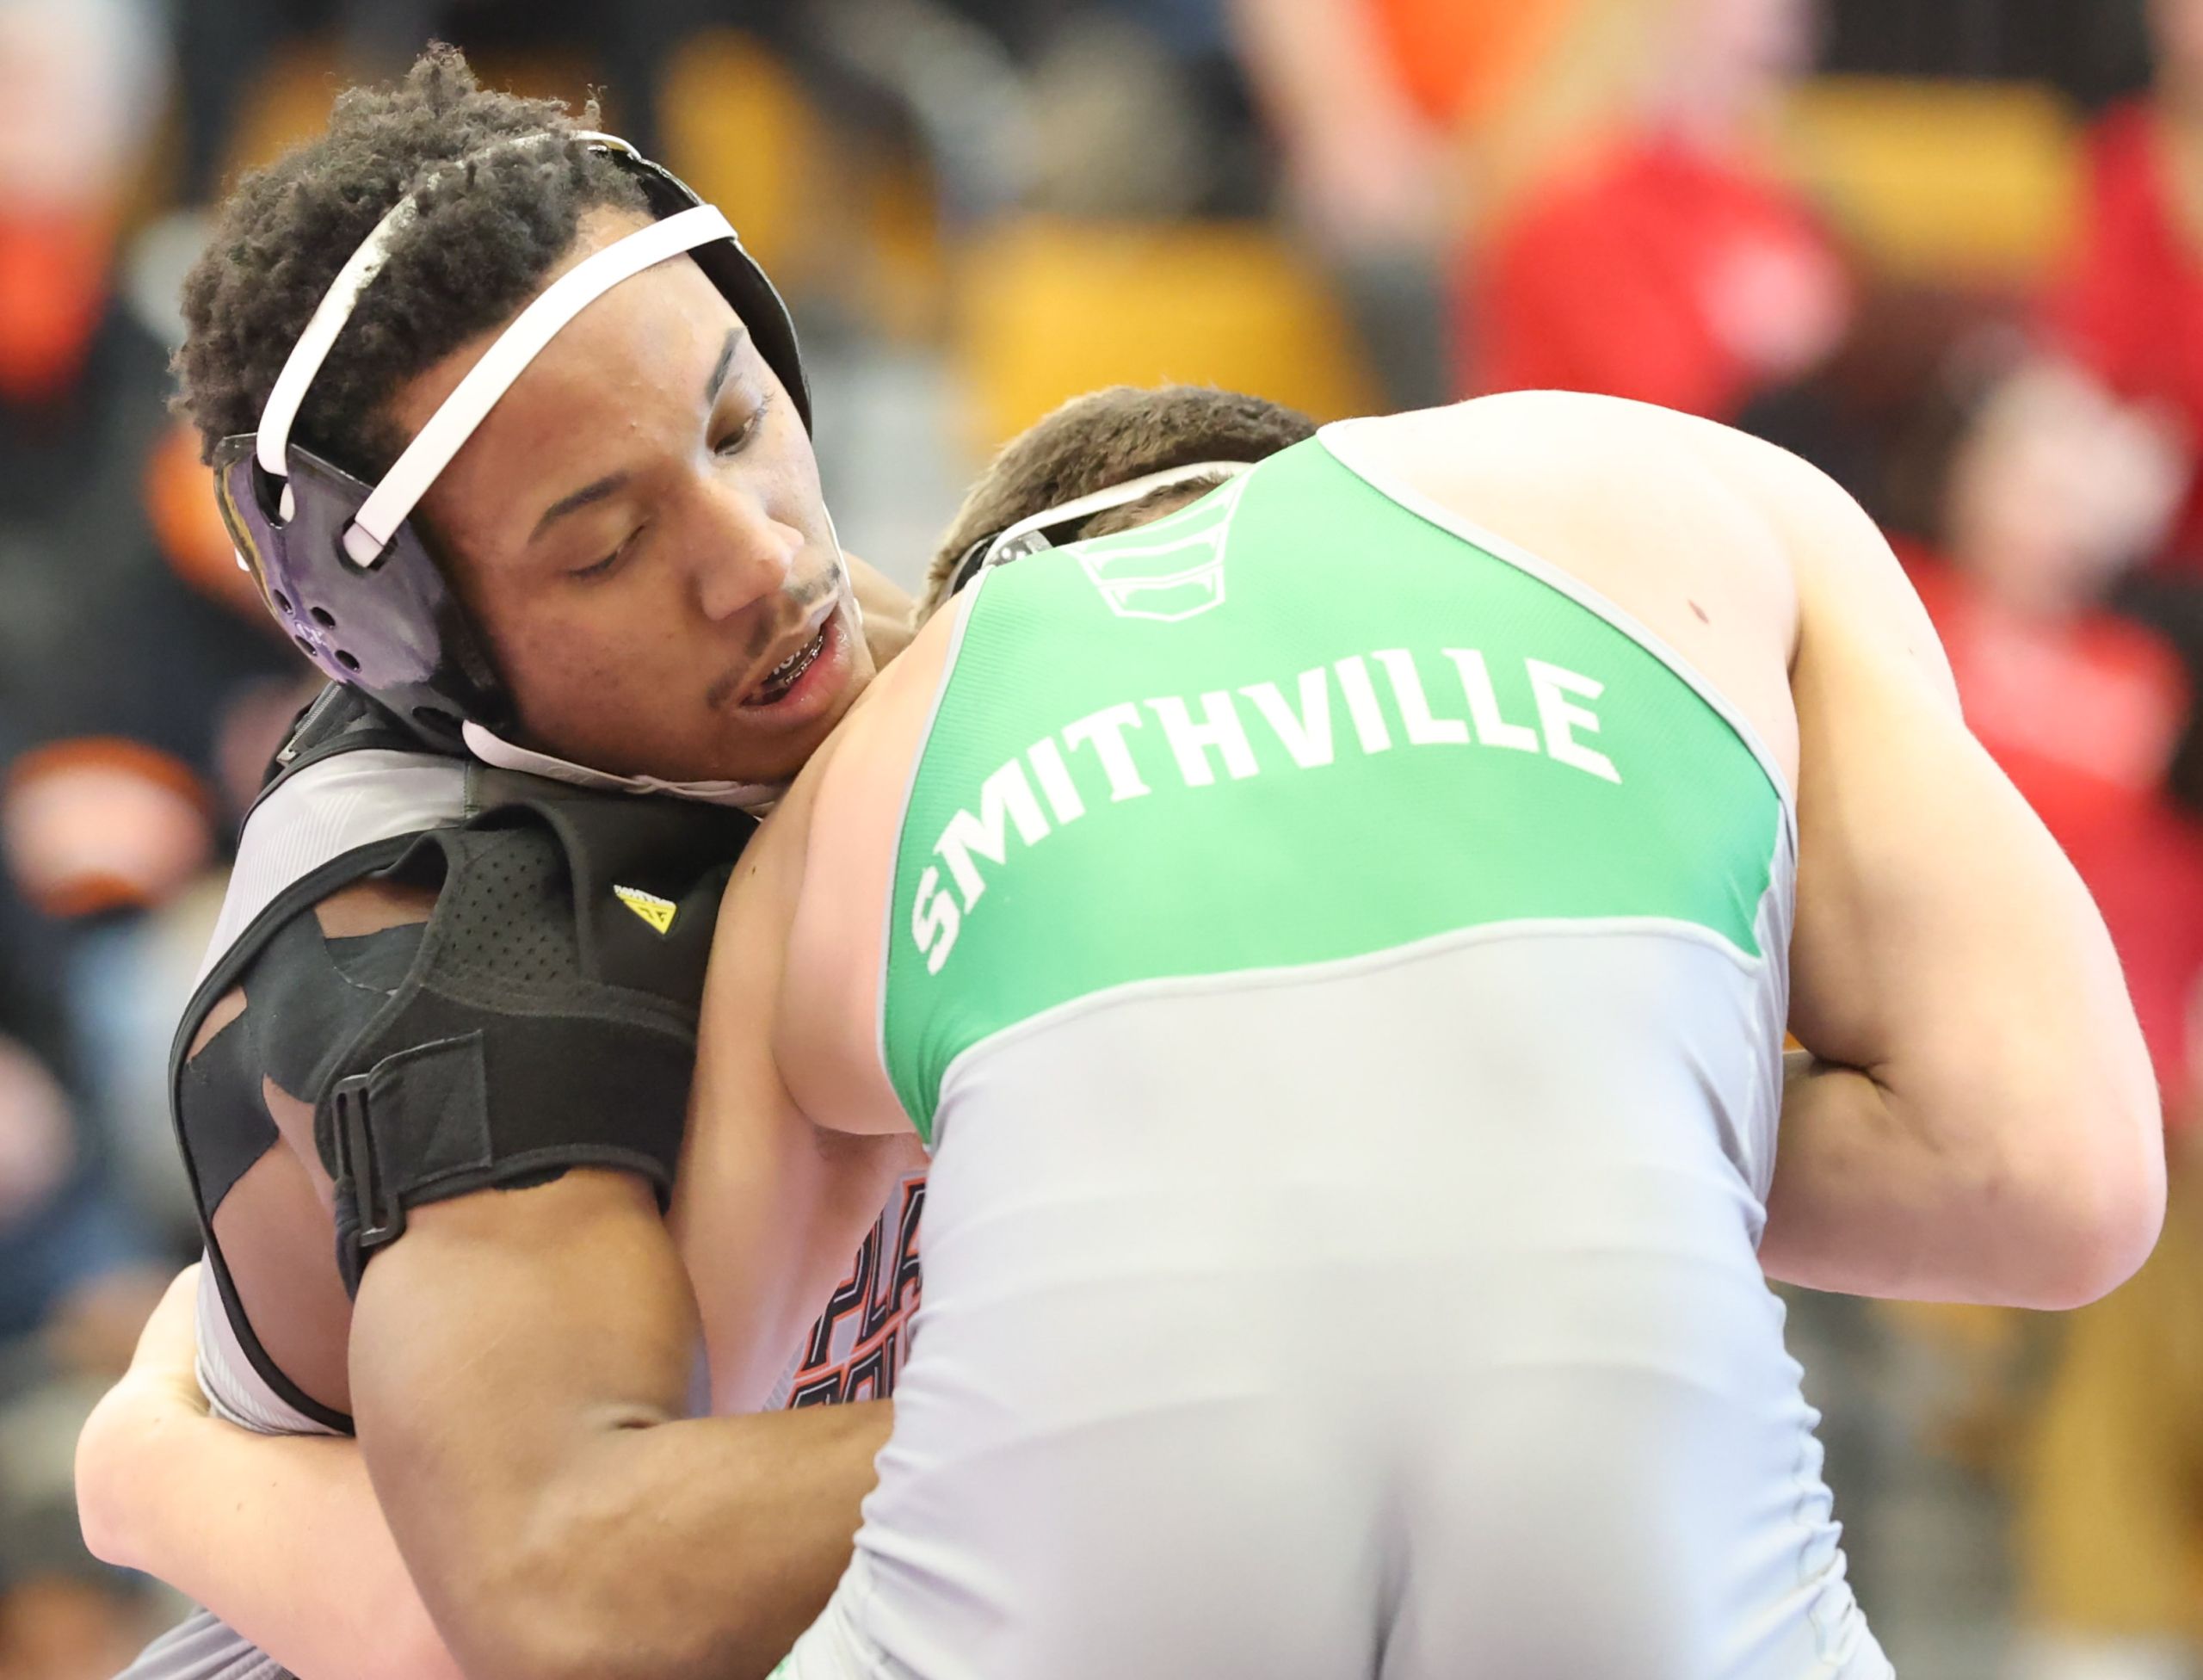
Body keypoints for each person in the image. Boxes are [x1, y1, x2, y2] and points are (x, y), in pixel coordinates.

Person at [86, 384, 2164, 1678]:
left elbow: (568, 1592)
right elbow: (2059, 1182)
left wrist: (151, 1469)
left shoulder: (869, 804)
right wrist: (1551, 1115)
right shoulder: (1643, 504)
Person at [80, 46, 927, 1680]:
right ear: (413, 638)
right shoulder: (455, 965)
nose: (760, 559)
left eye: (737, 421)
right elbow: (565, 1593)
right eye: (608, 547)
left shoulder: (776, 649)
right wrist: (1148, 1401)